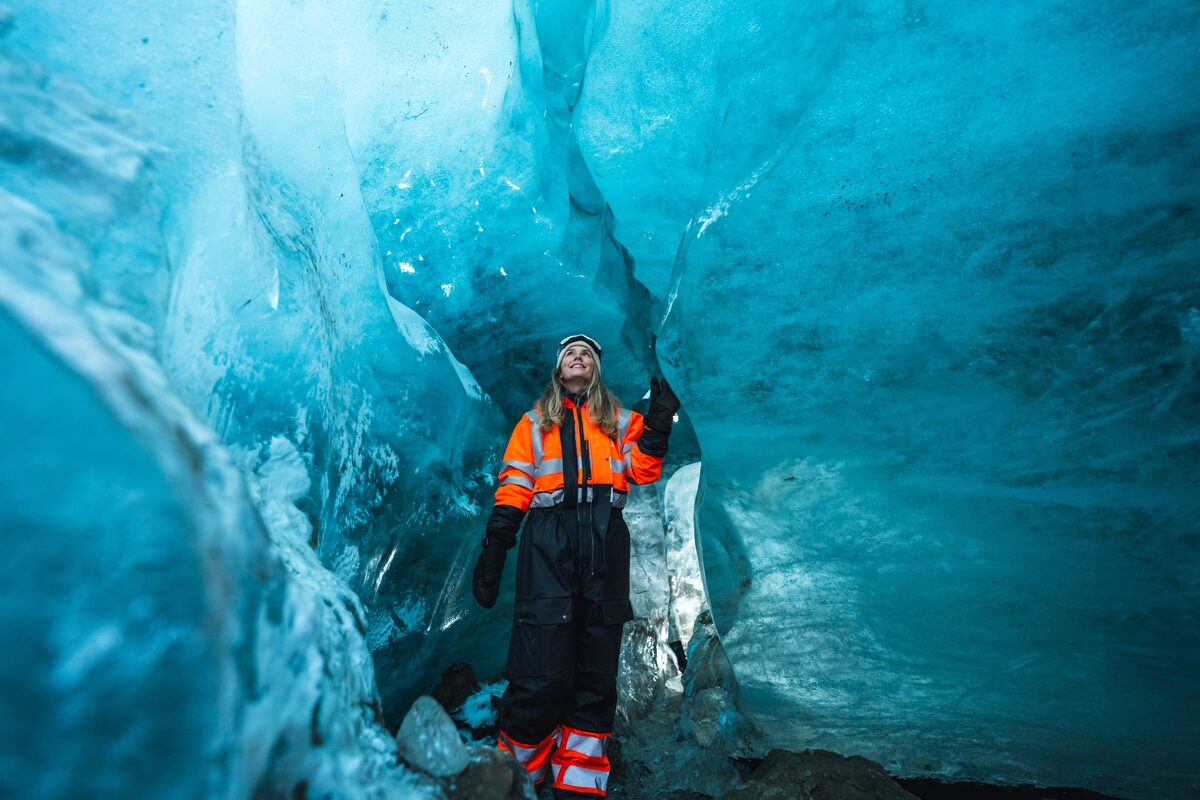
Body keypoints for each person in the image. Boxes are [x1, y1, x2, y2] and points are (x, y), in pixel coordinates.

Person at [471, 333, 679, 798]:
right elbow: (516, 481)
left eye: (586, 353)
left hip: (606, 540)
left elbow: (642, 469)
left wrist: (660, 420)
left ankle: (578, 785)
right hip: (548, 540)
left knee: (594, 671)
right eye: (570, 354)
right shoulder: (533, 423)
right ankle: (516, 779)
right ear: (559, 369)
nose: (578, 357)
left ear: (596, 369)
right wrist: (497, 543)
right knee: (539, 668)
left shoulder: (622, 421)